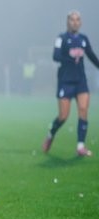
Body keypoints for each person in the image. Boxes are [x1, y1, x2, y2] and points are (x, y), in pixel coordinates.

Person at [42, 10, 99, 156]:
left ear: (80, 22)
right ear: (67, 22)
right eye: (72, 19)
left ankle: (80, 146)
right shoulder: (61, 38)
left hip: (81, 81)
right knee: (63, 116)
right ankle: (51, 134)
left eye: (77, 19)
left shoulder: (83, 39)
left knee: (83, 110)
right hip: (65, 81)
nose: (75, 22)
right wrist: (69, 56)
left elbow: (91, 55)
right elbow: (55, 56)